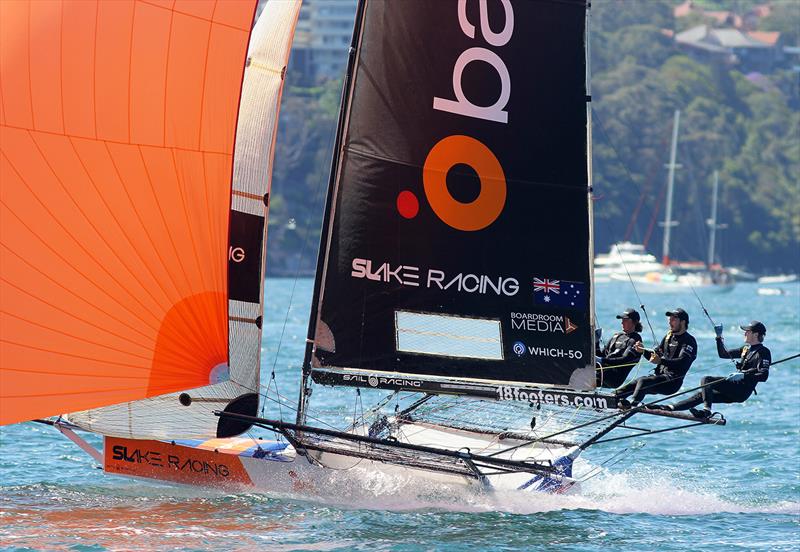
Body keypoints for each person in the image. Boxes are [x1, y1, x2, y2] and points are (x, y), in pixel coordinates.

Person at [653, 321, 771, 418]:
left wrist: (743, 375)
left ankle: (706, 411)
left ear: (755, 334)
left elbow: (763, 375)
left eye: (747, 331)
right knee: (704, 393)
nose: (744, 333)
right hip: (735, 388)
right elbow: (723, 354)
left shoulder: (763, 352)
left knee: (707, 380)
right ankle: (670, 407)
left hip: (741, 390)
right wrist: (718, 338)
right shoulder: (746, 349)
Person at [614, 308, 697, 407]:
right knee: (631, 385)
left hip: (672, 382)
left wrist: (660, 361)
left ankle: (632, 405)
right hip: (658, 377)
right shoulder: (668, 337)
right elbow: (654, 355)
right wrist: (643, 351)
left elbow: (682, 362)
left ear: (683, 322)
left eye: (673, 320)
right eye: (669, 320)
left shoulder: (689, 341)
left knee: (643, 381)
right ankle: (613, 398)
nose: (670, 322)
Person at [596, 308, 643, 388]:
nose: (622, 322)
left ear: (634, 322)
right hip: (602, 371)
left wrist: (601, 360)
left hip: (615, 378)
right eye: (622, 320)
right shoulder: (616, 336)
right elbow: (602, 355)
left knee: (589, 374)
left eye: (625, 320)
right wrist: (596, 343)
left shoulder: (635, 340)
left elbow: (624, 360)